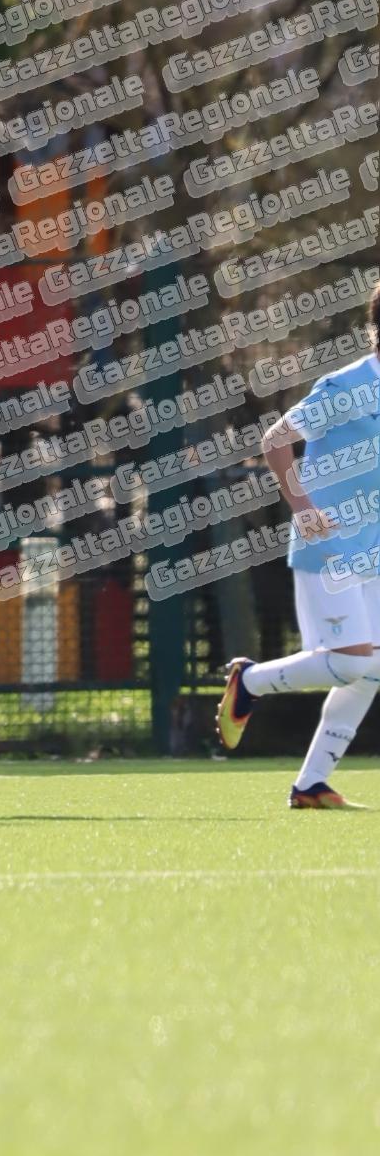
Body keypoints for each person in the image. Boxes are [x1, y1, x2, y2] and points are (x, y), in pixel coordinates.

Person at [216, 276, 380, 806]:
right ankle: (249, 681)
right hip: (329, 546)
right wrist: (303, 508)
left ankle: (311, 784)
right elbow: (276, 440)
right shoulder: (345, 386)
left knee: (373, 668)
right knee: (351, 663)